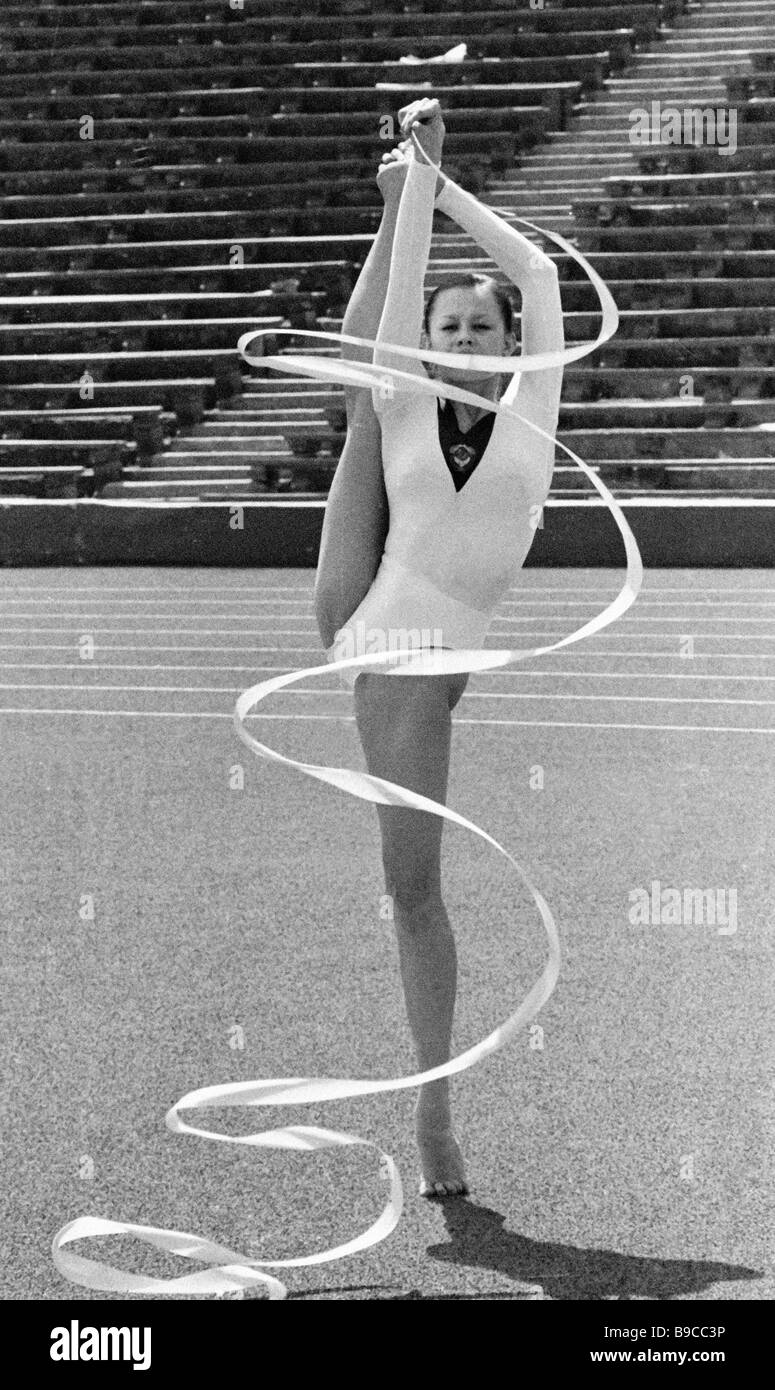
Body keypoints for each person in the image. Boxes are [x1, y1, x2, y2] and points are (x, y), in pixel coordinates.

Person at [314, 99, 565, 1198]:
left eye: (480, 330)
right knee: (413, 883)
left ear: (512, 345)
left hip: (449, 632)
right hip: (382, 629)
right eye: (449, 329)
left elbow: (542, 275)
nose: (464, 342)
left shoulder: (536, 410)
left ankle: (433, 1110)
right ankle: (436, 1116)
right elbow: (400, 314)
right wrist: (412, 190)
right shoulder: (411, 397)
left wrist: (440, 182)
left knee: (370, 396)